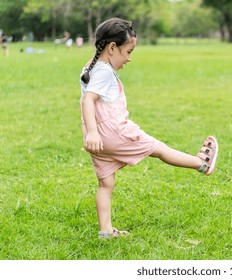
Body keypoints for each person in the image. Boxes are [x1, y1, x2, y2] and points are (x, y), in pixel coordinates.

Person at [80, 18, 219, 240]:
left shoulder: (90, 67)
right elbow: (88, 100)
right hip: (113, 131)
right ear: (112, 47)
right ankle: (201, 164)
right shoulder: (104, 71)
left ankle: (105, 231)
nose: (129, 58)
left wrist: (93, 133)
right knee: (159, 149)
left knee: (106, 183)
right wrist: (96, 132)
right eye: (128, 51)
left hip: (96, 139)